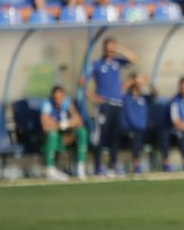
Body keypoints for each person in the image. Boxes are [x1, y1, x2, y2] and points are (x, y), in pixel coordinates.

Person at [82, 38, 135, 176]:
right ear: (103, 49)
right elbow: (81, 82)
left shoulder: (117, 62)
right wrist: (92, 97)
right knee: (101, 136)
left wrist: (119, 49)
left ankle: (113, 165)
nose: (110, 51)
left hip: (117, 104)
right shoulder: (96, 64)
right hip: (104, 104)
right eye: (108, 48)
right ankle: (98, 166)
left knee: (114, 136)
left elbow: (134, 59)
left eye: (112, 48)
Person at [40, 85, 87, 181]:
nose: (58, 101)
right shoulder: (46, 104)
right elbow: (45, 126)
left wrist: (67, 124)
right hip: (51, 138)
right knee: (52, 134)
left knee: (82, 131)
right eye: (56, 98)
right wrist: (60, 125)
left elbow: (78, 121)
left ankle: (80, 166)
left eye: (60, 98)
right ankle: (50, 169)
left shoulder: (67, 102)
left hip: (65, 137)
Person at [121, 74, 152, 174]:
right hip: (129, 129)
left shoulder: (144, 98)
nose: (136, 85)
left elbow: (155, 93)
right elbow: (119, 90)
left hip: (143, 129)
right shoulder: (126, 97)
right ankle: (136, 164)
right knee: (136, 136)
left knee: (162, 133)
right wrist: (133, 80)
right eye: (135, 83)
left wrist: (146, 83)